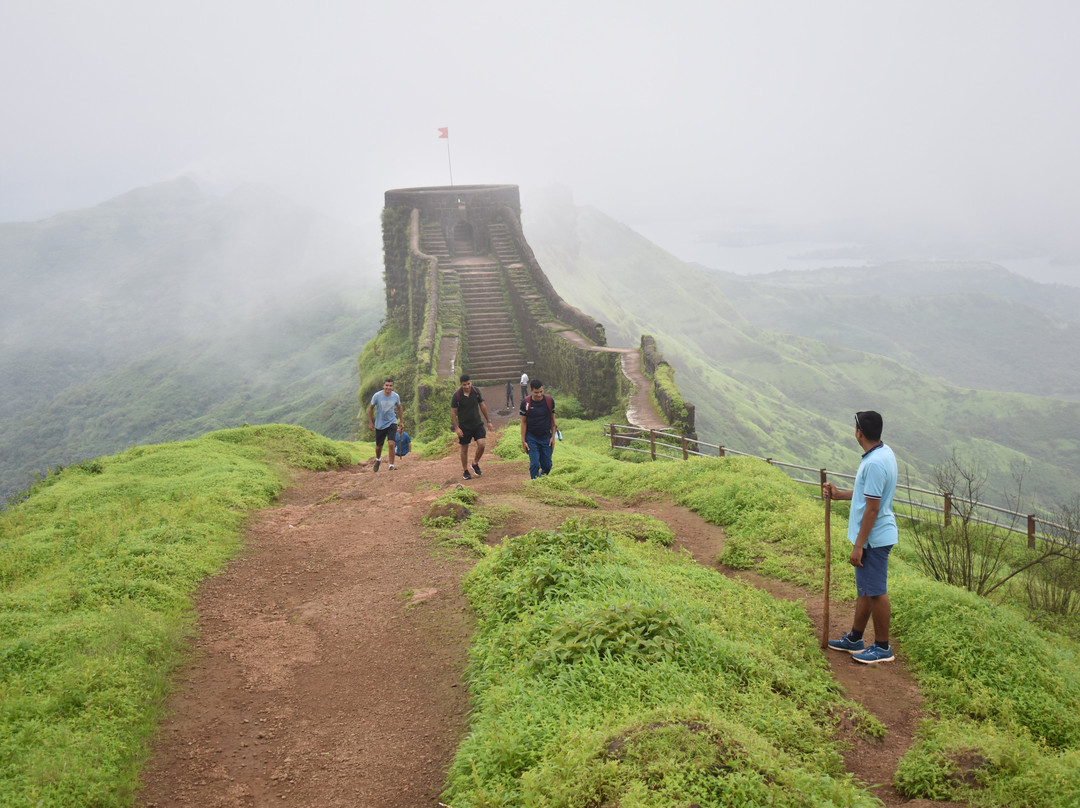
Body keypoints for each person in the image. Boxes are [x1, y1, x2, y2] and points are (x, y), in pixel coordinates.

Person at [822, 410, 899, 664]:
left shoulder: (875, 462)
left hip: (873, 539)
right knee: (866, 590)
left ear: (859, 433)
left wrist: (858, 545)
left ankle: (882, 647)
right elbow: (867, 493)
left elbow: (873, 508)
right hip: (872, 537)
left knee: (876, 592)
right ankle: (855, 638)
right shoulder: (881, 453)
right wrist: (838, 494)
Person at [451, 374, 493, 481]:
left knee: (482, 444)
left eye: (468, 384)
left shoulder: (476, 391)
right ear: (461, 384)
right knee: (464, 449)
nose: (467, 386)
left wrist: (488, 421)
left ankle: (475, 463)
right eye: (464, 384)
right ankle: (465, 470)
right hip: (464, 426)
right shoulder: (457, 395)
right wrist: (457, 428)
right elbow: (453, 412)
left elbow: (482, 406)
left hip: (477, 424)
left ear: (471, 382)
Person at [520, 379, 557, 480]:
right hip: (532, 437)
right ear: (531, 391)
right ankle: (534, 484)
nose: (539, 394)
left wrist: (553, 437)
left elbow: (552, 420)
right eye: (536, 392)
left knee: (547, 465)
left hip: (546, 437)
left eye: (541, 391)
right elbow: (523, 422)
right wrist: (523, 440)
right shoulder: (526, 403)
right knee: (535, 464)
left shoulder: (549, 401)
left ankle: (540, 481)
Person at [368, 378, 404, 472]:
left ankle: (391, 465)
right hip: (379, 424)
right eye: (387, 385)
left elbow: (399, 408)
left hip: (392, 422)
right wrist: (371, 422)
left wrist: (401, 422)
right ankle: (378, 459)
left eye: (390, 385)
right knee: (379, 447)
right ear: (383, 386)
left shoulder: (396, 396)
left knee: (391, 443)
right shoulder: (377, 396)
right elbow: (371, 408)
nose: (388, 387)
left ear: (393, 387)